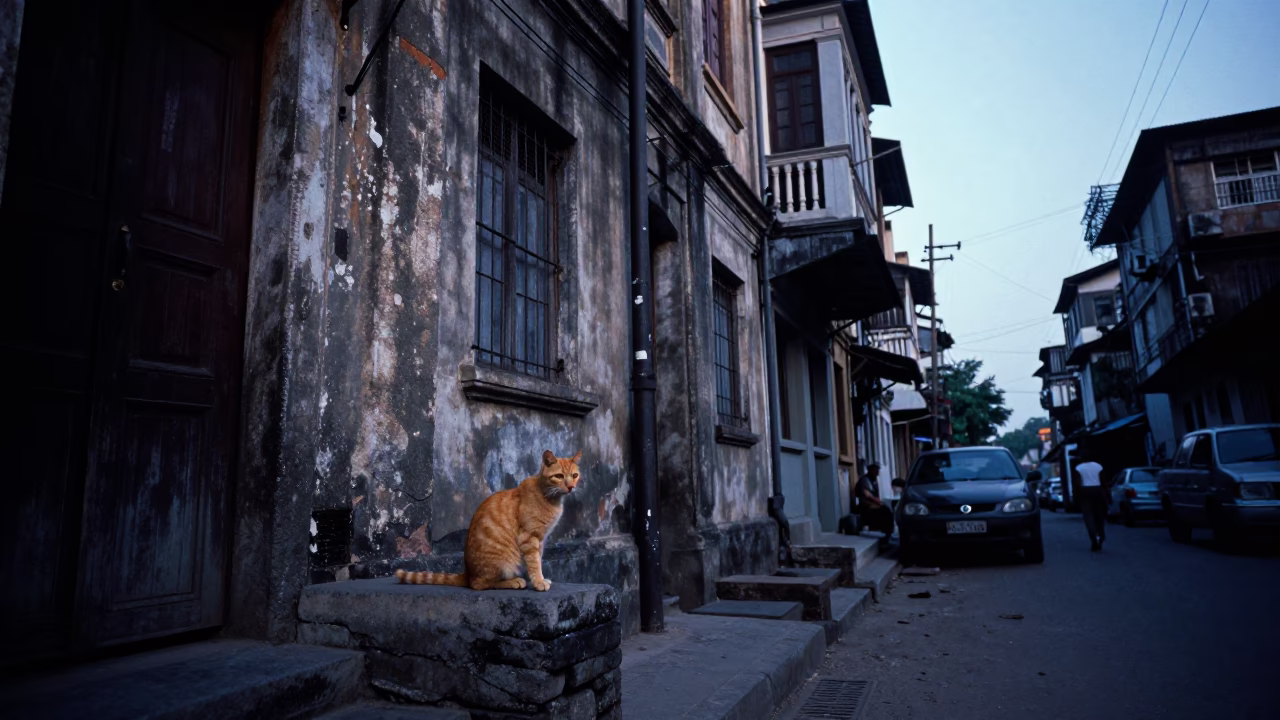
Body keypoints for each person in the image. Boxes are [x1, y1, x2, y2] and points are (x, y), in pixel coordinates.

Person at [1072, 453, 1109, 551]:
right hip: (1098, 490)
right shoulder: (1098, 466)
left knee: (1088, 517)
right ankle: (1100, 535)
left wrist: (1075, 497)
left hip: (1085, 491)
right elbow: (1103, 482)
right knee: (1099, 516)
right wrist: (1107, 495)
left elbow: (1077, 483)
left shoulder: (1079, 468)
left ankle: (1094, 538)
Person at [856, 462, 895, 538]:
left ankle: (887, 532)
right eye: (876, 470)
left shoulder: (874, 480)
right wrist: (876, 500)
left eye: (878, 470)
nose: (877, 472)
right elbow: (867, 494)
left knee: (887, 510)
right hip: (866, 505)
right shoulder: (865, 480)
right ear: (871, 470)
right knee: (885, 511)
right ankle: (885, 531)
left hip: (872, 503)